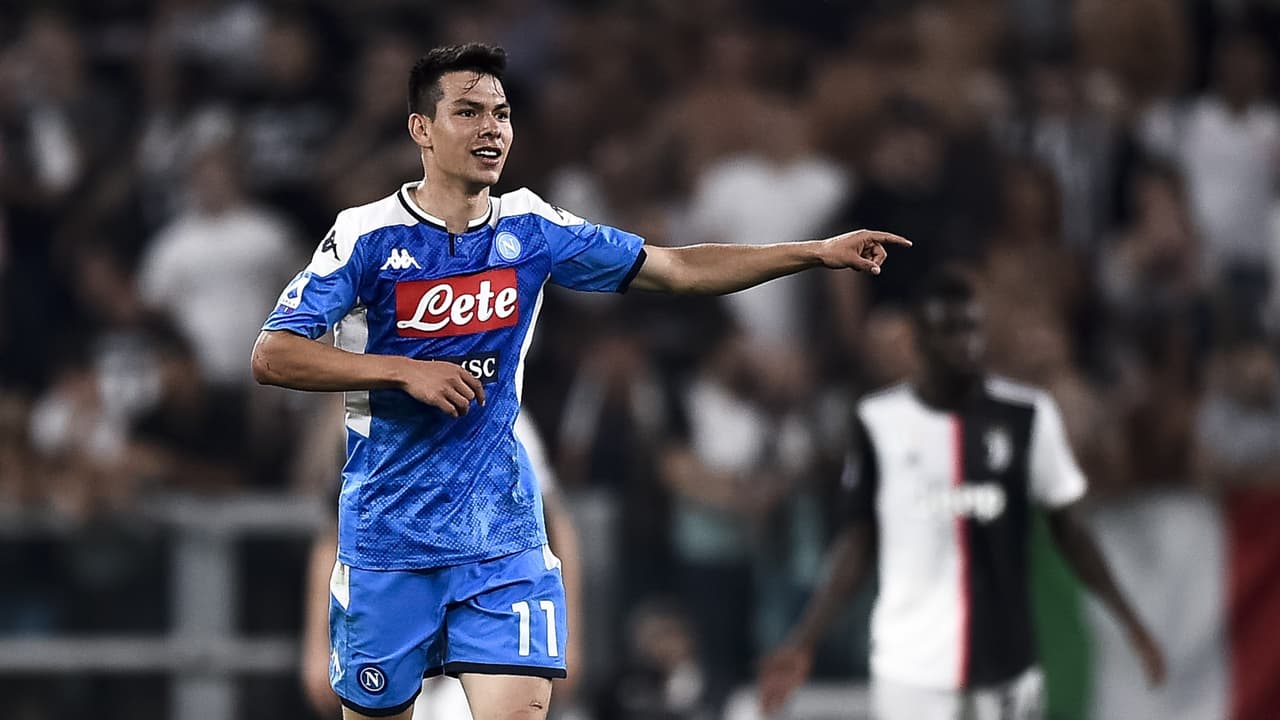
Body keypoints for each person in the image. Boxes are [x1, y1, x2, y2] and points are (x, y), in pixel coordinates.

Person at [250, 43, 909, 720]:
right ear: (422, 128)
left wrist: (812, 252)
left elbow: (677, 268)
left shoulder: (531, 226)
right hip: (390, 540)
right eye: (468, 112)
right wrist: (401, 370)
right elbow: (274, 355)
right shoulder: (364, 235)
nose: (491, 129)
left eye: (501, 114)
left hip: (500, 537)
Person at [758, 268, 1165, 720]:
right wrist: (804, 639)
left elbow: (1099, 480)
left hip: (1037, 636)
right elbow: (860, 544)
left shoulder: (1032, 413)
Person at [300, 410, 583, 720]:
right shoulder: (370, 410)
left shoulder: (507, 411)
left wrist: (570, 635)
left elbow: (553, 518)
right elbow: (335, 531)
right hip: (392, 582)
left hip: (485, 582)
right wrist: (317, 644)